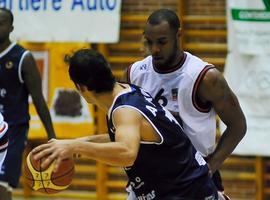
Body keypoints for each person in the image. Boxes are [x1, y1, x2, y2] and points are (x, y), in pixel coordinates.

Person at [32, 48, 223, 199]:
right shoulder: (128, 91)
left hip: (184, 191)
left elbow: (127, 153)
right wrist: (82, 142)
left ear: (80, 88)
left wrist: (75, 145)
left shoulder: (125, 111)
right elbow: (127, 138)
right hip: (184, 186)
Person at [124, 9, 247, 199]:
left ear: (178, 36)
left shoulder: (205, 77)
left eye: (162, 42)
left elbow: (238, 125)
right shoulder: (134, 73)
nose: (155, 49)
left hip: (192, 177)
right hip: (150, 178)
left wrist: (210, 166)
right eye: (149, 42)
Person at [0, 8, 56, 200]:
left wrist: (52, 137)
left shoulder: (22, 58)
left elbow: (39, 100)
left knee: (2, 186)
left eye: (1, 23)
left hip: (12, 131)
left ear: (11, 27)